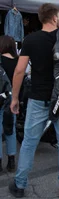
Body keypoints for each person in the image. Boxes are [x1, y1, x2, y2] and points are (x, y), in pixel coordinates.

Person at [9, 3, 59, 198]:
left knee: (30, 142)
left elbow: (20, 70)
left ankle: (20, 185)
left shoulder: (31, 40)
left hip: (38, 97)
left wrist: (14, 98)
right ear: (55, 18)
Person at [0, 35, 18, 172]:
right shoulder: (18, 61)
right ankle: (11, 162)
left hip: (0, 98)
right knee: (10, 130)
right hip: (13, 99)